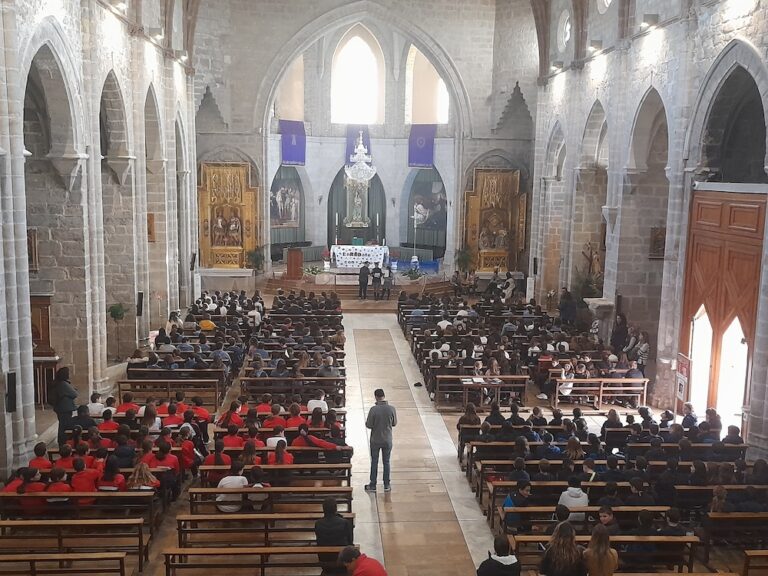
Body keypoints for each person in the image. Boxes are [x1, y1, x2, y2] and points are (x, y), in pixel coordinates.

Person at [365, 388, 397, 492]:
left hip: (375, 439)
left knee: (374, 461)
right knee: (386, 462)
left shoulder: (373, 409)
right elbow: (394, 423)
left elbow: (369, 425)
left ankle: (373, 485)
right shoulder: (392, 409)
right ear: (384, 396)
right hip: (387, 439)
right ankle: (386, 484)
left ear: (376, 397)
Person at [315, 496, 354, 573]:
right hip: (342, 560)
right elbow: (350, 542)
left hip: (325, 560)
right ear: (335, 509)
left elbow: (318, 541)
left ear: (323, 509)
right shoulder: (344, 523)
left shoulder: (318, 523)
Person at [52, 367, 78, 446]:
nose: (69, 374)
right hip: (64, 409)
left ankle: (62, 441)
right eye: (68, 373)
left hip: (61, 408)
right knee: (64, 425)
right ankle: (63, 442)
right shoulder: (63, 384)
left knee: (62, 424)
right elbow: (74, 394)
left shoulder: (59, 383)